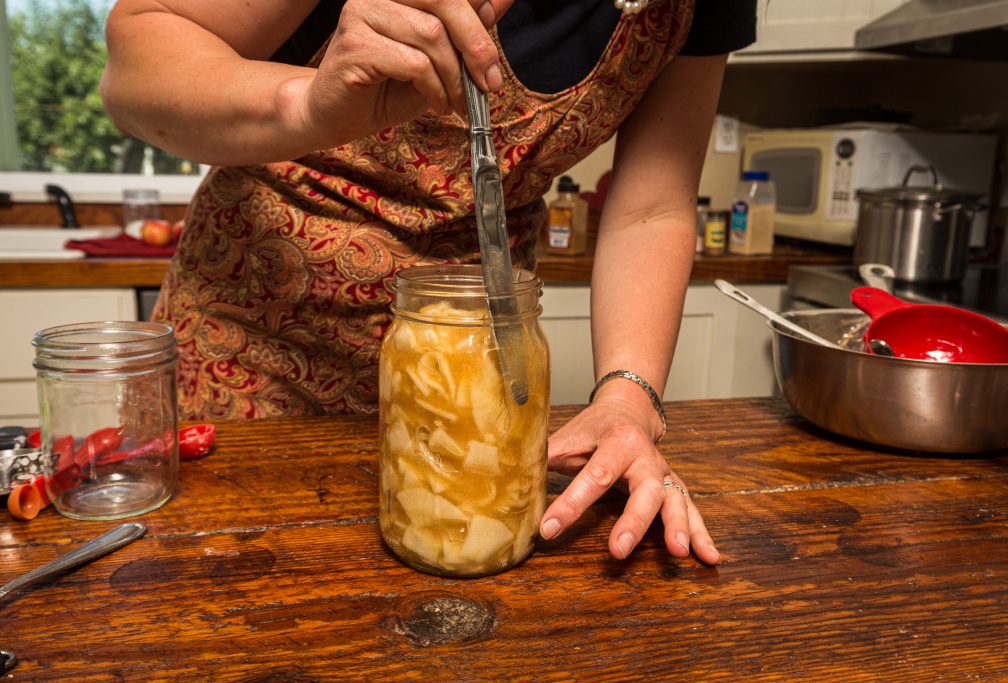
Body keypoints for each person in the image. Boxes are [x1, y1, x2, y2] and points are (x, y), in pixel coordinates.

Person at [101, 0, 756, 565]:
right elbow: (136, 62)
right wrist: (304, 102)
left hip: (479, 362)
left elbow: (652, 206)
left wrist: (628, 396)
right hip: (245, 349)